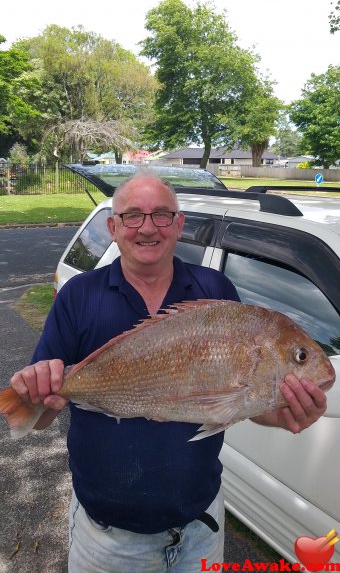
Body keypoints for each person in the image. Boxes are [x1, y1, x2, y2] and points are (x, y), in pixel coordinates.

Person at [10, 174, 328, 573]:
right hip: (107, 541)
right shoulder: (80, 296)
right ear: (113, 227)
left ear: (179, 225)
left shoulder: (216, 289)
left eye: (162, 215)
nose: (147, 227)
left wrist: (278, 412)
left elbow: (231, 403)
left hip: (200, 529)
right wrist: (39, 395)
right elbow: (43, 415)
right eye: (132, 216)